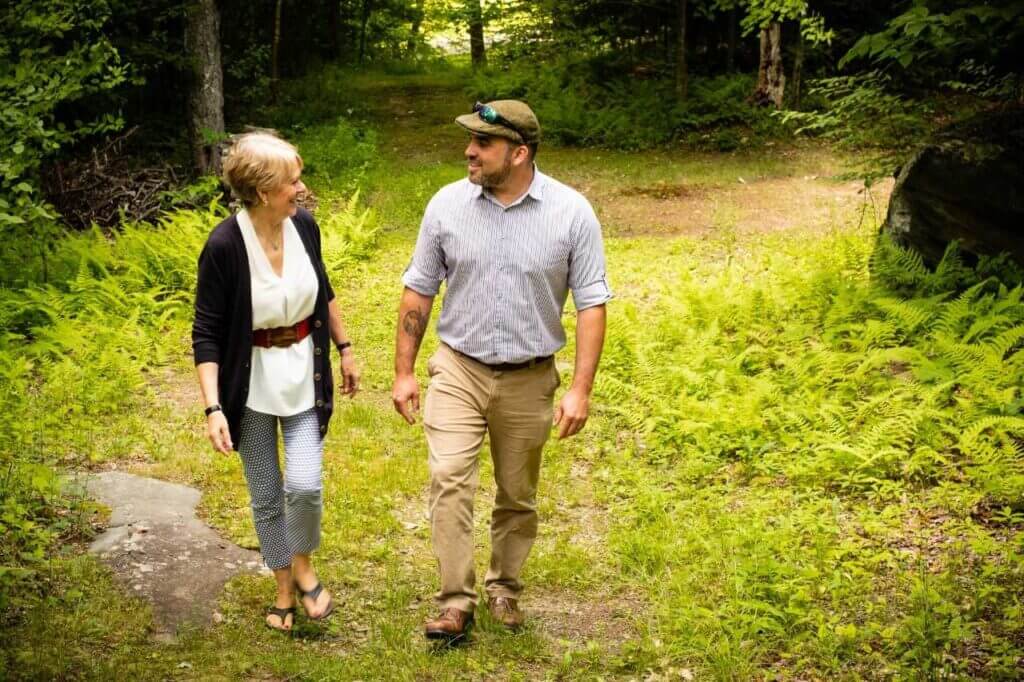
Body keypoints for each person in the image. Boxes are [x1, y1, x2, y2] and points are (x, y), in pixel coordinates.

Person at [392, 100, 612, 642]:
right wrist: (404, 371)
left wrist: (580, 389)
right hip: (459, 369)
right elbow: (419, 288)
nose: (469, 151)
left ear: (519, 152)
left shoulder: (571, 213)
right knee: (448, 479)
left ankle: (505, 587)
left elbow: (592, 304)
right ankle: (453, 601)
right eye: (469, 141)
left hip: (530, 377)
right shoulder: (447, 206)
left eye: (482, 144)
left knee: (517, 492)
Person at [192, 131, 359, 632]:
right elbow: (205, 331)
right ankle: (285, 583)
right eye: (292, 181)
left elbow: (323, 290)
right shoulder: (224, 246)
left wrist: (345, 348)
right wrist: (213, 408)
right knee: (267, 490)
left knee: (305, 484)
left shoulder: (304, 226)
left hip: (303, 375)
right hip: (251, 385)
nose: (301, 188)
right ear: (263, 191)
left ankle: (303, 567)